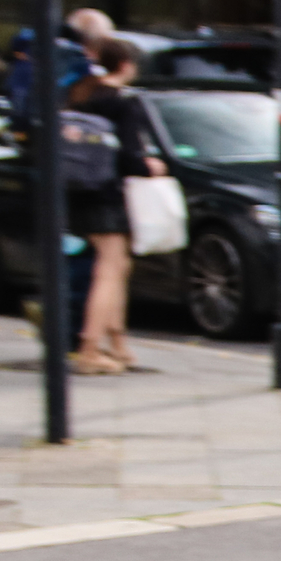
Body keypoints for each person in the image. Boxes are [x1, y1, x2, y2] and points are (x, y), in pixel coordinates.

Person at [65, 37, 168, 375]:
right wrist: (152, 167)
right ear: (125, 65)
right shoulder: (123, 103)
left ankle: (118, 343)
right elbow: (130, 157)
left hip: (80, 188)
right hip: (107, 194)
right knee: (109, 270)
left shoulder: (82, 94)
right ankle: (89, 348)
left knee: (118, 265)